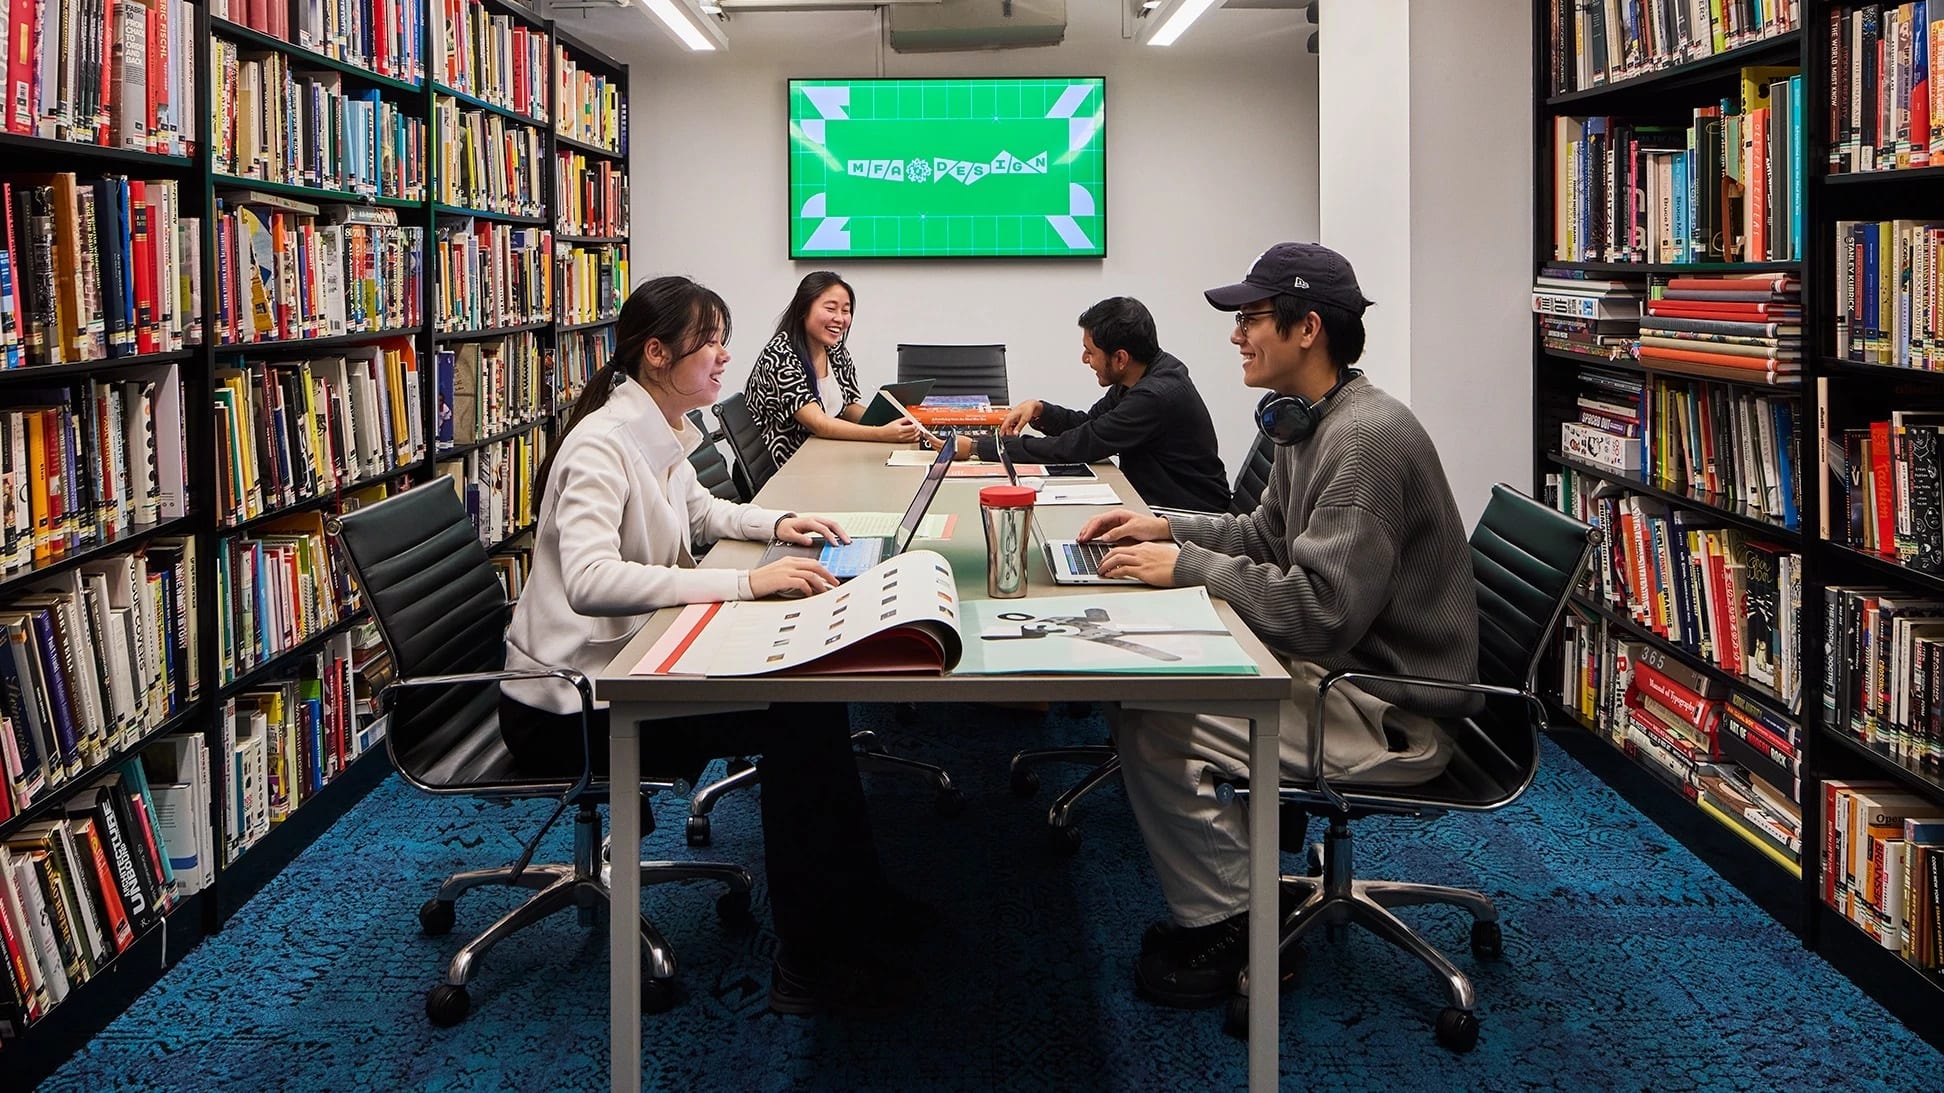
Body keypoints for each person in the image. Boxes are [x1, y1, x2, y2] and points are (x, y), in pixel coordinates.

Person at [501, 275, 927, 1016]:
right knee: (796, 715)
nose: (726, 356)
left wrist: (780, 523)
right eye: (710, 341)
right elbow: (593, 582)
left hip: (638, 658)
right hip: (570, 702)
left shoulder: (660, 426)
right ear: (658, 353)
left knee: (810, 703)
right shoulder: (600, 446)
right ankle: (811, 963)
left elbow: (703, 513)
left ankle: (862, 903)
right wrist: (745, 588)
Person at [1076, 243, 1479, 1009]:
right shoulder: (1315, 420)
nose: (1236, 333)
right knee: (1157, 679)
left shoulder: (1361, 441)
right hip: (1348, 672)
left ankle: (1239, 925)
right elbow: (1264, 537)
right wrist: (1163, 526)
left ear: (1308, 329)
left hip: (1389, 707)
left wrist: (1188, 567)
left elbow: (1319, 611)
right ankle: (1242, 890)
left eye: (1252, 317)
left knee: (1155, 713)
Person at [933, 296, 1231, 513]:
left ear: (1120, 358)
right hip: (1154, 503)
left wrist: (978, 448)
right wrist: (1040, 409)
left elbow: (1080, 445)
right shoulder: (1143, 374)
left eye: (1090, 352)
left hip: (1187, 518)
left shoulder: (1154, 396)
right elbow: (1090, 424)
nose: (1085, 360)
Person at [744, 271, 921, 468]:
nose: (840, 318)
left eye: (845, 311)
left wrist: (891, 421)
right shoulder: (780, 355)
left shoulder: (835, 350)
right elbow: (819, 424)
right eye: (830, 309)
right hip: (782, 468)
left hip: (823, 458)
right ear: (804, 309)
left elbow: (847, 407)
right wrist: (881, 434)